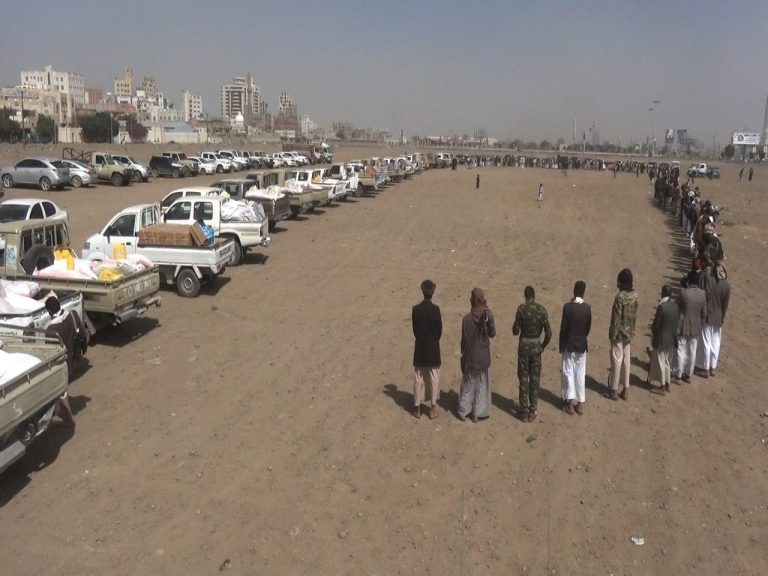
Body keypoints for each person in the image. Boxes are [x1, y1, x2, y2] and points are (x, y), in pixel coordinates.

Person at [44, 296, 87, 427]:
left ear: (49, 311)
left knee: (61, 391)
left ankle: (68, 418)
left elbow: (50, 352)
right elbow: (82, 335)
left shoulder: (51, 329)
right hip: (74, 359)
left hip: (62, 364)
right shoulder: (73, 315)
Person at [513, 286, 552, 422]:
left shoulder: (521, 309)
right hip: (536, 348)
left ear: (525, 296)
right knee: (535, 379)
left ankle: (524, 411)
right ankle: (532, 410)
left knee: (523, 378)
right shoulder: (541, 310)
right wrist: (542, 346)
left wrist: (517, 325)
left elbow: (515, 331)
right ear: (534, 296)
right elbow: (549, 333)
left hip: (524, 347)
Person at [458, 288, 496, 422]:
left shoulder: (466, 319)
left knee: (468, 384)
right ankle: (477, 413)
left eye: (471, 297)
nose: (469, 299)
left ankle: (463, 411)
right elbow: (492, 334)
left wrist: (463, 355)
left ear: (474, 300)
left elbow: (463, 341)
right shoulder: (487, 316)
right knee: (481, 385)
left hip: (470, 358)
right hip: (483, 358)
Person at [558, 281, 591, 415]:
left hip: (569, 344)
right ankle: (580, 404)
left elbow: (563, 328)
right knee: (580, 373)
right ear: (583, 293)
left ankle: (570, 403)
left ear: (574, 291)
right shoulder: (587, 308)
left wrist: (561, 345)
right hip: (581, 345)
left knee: (568, 372)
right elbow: (588, 328)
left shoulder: (567, 307)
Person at [411, 279, 442, 419]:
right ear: (433, 292)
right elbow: (439, 330)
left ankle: (418, 408)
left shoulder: (416, 309)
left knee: (419, 377)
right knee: (434, 377)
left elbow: (415, 330)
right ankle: (433, 408)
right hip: (433, 347)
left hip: (420, 347)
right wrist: (433, 340)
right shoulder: (436, 310)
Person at [607, 269, 638, 401]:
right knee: (626, 361)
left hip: (619, 333)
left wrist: (612, 335)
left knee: (616, 360)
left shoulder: (619, 297)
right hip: (629, 332)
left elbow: (616, 318)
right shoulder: (635, 296)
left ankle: (614, 389)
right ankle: (625, 389)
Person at [696, 263, 730, 377]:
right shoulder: (727, 286)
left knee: (707, 343)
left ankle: (705, 368)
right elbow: (725, 306)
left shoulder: (710, 282)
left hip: (708, 316)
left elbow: (705, 298)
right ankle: (712, 367)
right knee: (716, 343)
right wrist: (722, 318)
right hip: (718, 318)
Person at [674, 271, 706, 383]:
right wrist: (700, 325)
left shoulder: (683, 292)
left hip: (683, 325)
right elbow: (704, 313)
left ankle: (678, 375)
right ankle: (688, 374)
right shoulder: (702, 294)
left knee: (680, 350)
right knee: (692, 351)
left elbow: (676, 307)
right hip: (696, 327)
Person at [649, 285, 680, 394]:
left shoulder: (662, 307)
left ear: (662, 293)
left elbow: (656, 325)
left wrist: (653, 332)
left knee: (661, 362)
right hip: (671, 338)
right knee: (667, 362)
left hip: (661, 338)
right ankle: (667, 384)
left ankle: (662, 386)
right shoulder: (675, 306)